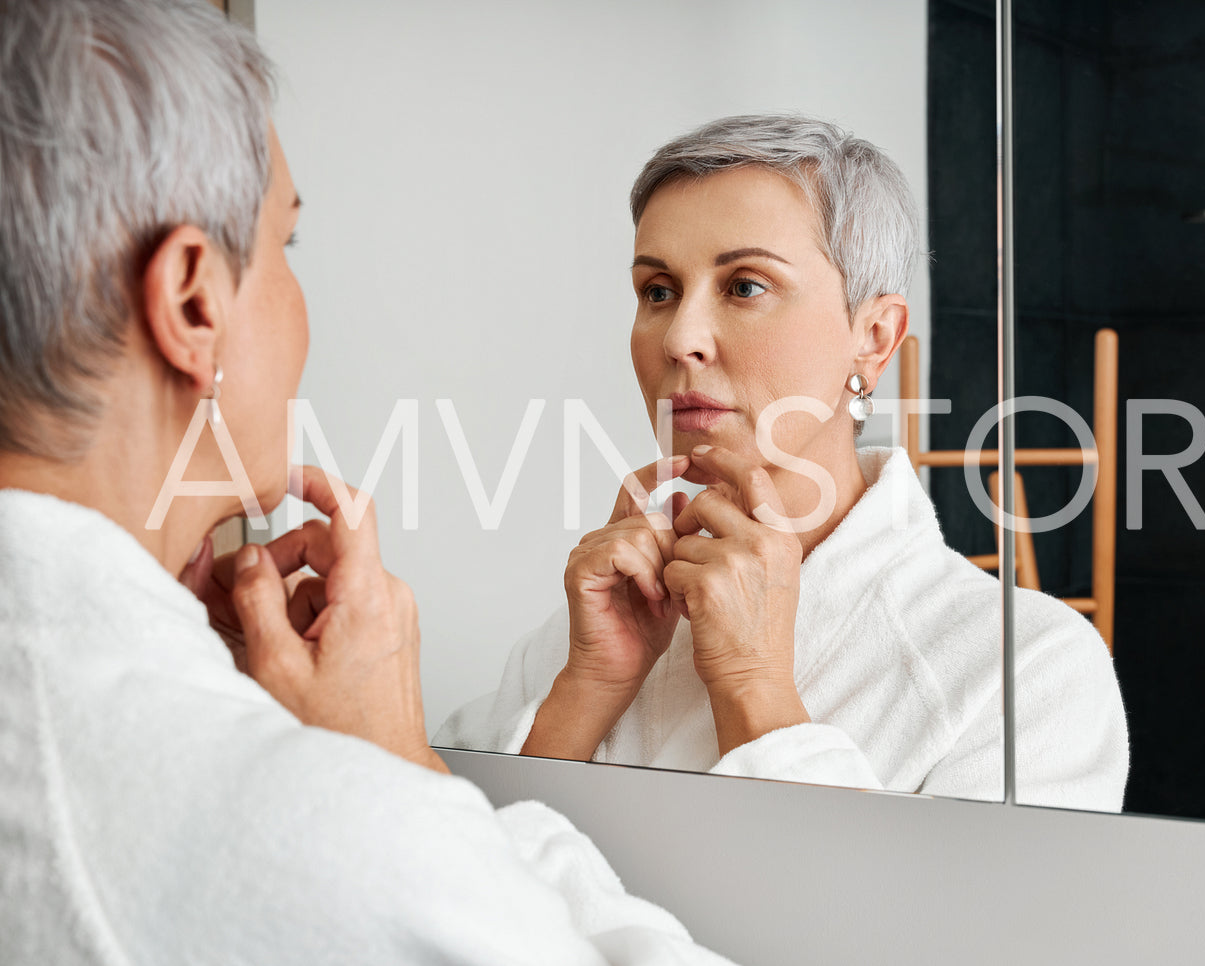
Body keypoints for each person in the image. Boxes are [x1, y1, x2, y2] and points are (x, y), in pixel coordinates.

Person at [0, 1, 732, 961]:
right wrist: (394, 767)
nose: (682, 339)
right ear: (191, 299)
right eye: (286, 245)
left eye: (746, 285)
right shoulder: (314, 833)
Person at [436, 114, 1129, 809]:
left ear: (873, 337)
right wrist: (585, 693)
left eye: (744, 286)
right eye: (658, 291)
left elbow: (955, 920)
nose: (679, 338)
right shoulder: (584, 637)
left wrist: (753, 685)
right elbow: (446, 901)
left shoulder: (1027, 671)